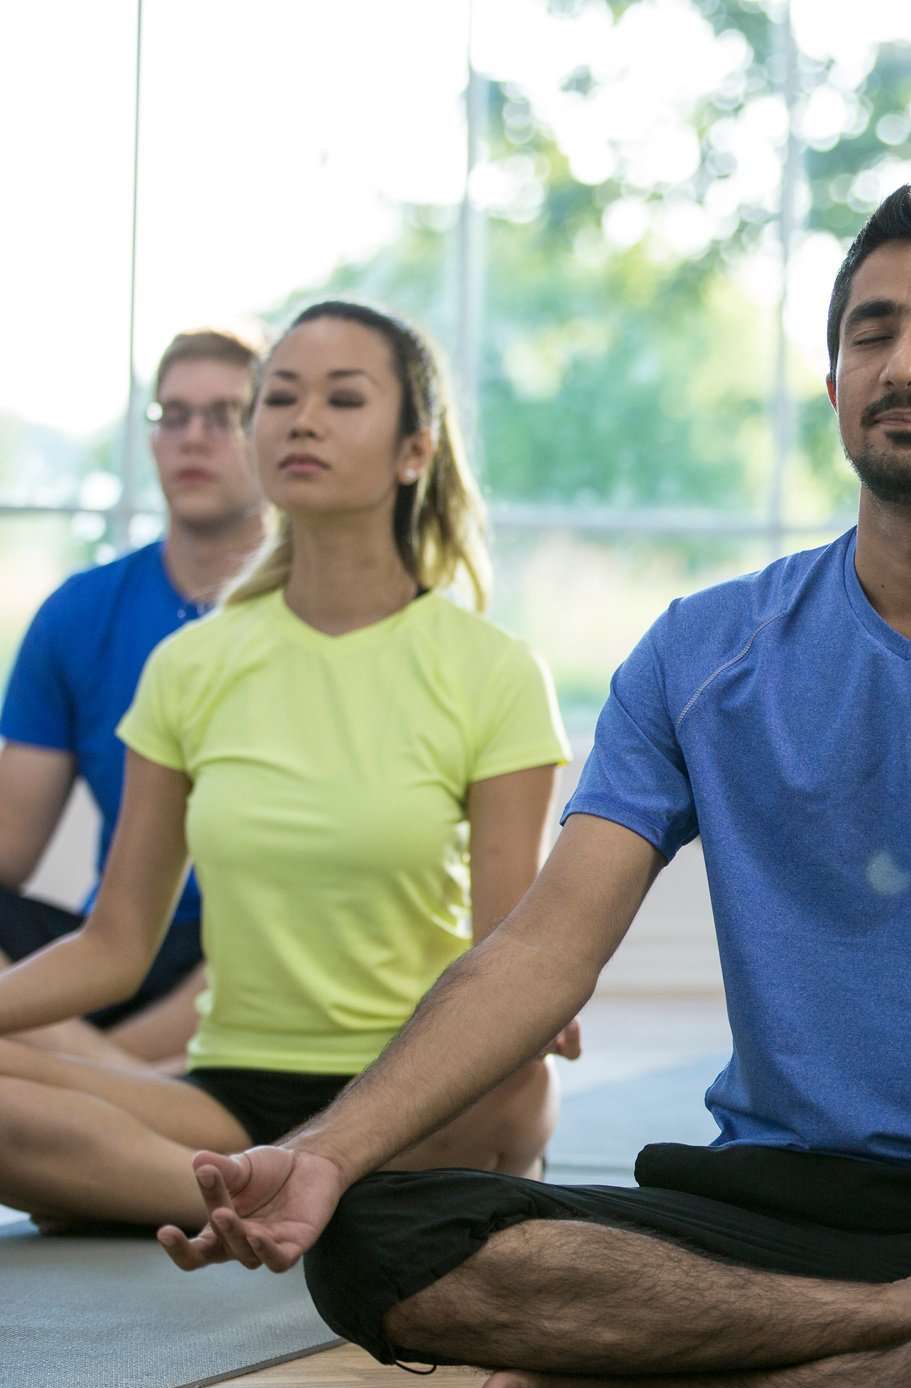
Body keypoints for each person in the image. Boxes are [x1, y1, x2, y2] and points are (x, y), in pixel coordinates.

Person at [161, 188, 911, 1388]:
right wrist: (324, 1153)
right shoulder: (704, 648)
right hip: (760, 1202)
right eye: (871, 331)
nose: (903, 361)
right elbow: (541, 951)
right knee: (372, 1242)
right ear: (837, 377)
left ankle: (681, 1386)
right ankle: (906, 1317)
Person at [0, 300, 571, 1229]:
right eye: (280, 400)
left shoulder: (493, 670)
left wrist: (534, 1015)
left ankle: (248, 1190)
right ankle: (301, 1198)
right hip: (225, 1094)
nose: (301, 420)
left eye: (344, 400)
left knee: (519, 1090)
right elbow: (115, 945)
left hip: (413, 1095)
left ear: (414, 451)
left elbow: (505, 954)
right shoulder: (190, 665)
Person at [0, 327, 271, 1069]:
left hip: (261, 954)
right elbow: (9, 850)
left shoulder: (315, 617)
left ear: (272, 432)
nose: (193, 438)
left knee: (290, 936)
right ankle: (112, 1082)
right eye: (171, 416)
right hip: (115, 944)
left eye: (224, 416)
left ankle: (75, 1080)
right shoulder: (78, 613)